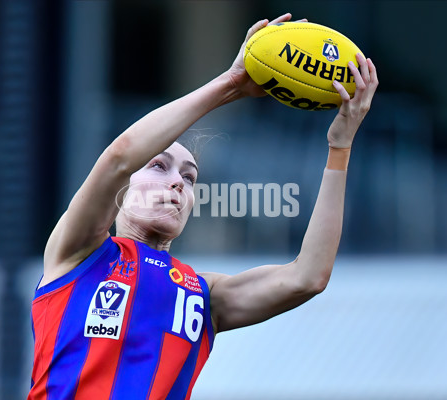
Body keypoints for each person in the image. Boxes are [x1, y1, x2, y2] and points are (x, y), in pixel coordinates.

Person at [27, 12, 378, 400]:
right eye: (159, 166)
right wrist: (230, 85)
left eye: (189, 177)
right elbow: (120, 156)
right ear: (122, 190)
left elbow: (308, 277)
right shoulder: (79, 253)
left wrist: (340, 146)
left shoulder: (202, 294)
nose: (178, 181)